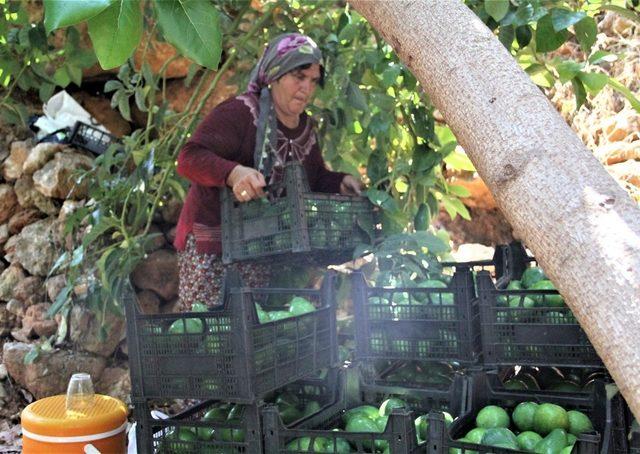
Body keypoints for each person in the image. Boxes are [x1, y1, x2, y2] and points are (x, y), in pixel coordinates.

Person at [174, 33, 362, 309]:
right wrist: (234, 173)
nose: (306, 88)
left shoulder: (305, 128)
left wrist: (340, 182)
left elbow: (314, 177)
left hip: (261, 248)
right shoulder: (239, 113)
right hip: (213, 248)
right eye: (299, 76)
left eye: (313, 81)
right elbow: (189, 158)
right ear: (275, 74)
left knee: (251, 332)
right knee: (212, 334)